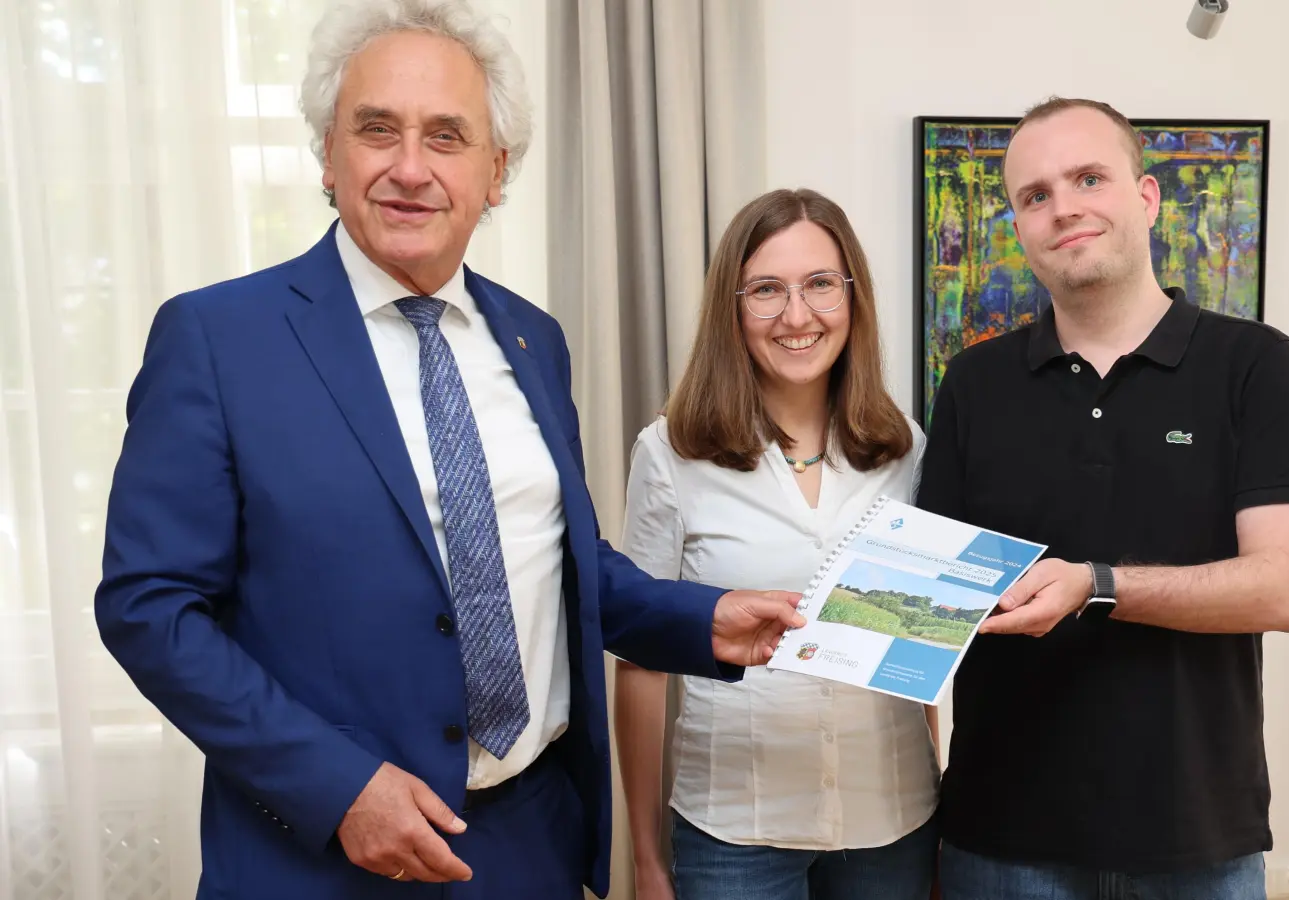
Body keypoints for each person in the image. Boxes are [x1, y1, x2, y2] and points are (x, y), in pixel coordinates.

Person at [92, 2, 804, 898]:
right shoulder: (218, 338)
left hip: (529, 842)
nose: (409, 168)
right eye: (377, 129)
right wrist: (336, 787)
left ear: (496, 170)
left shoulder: (534, 340)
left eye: (447, 136)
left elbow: (554, 560)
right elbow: (149, 610)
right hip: (317, 857)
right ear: (328, 154)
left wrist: (703, 620)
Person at [917, 97, 1289, 900]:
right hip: (999, 841)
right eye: (1034, 195)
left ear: (1145, 197)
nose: (1063, 207)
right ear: (1017, 226)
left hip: (1195, 839)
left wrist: (1096, 585)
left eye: (1088, 178)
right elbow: (936, 591)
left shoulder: (1255, 366)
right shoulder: (974, 382)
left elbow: (1285, 589)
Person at [612, 188, 942, 900]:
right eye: (767, 289)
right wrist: (644, 857)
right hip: (734, 833)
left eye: (820, 285)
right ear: (733, 307)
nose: (797, 315)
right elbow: (641, 661)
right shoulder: (671, 454)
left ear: (853, 296)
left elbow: (916, 651)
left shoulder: (905, 449)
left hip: (893, 824)